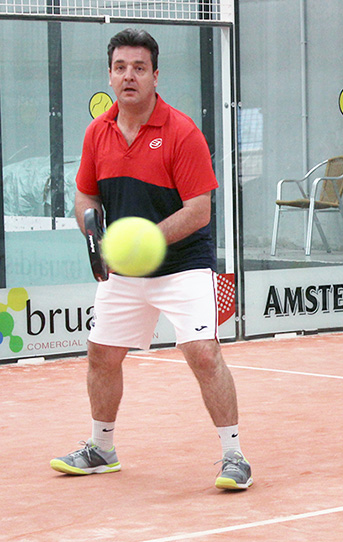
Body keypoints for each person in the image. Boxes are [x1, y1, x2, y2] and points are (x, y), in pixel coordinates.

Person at [50, 28, 253, 491]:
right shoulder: (97, 132)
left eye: (139, 68)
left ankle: (234, 457)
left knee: (203, 353)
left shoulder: (181, 132)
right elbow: (86, 194)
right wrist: (92, 228)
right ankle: (102, 449)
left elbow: (199, 210)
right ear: (109, 75)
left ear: (155, 76)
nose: (129, 76)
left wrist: (146, 242)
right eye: (121, 67)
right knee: (102, 355)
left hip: (183, 265)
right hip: (123, 271)